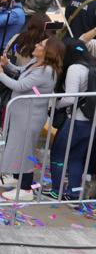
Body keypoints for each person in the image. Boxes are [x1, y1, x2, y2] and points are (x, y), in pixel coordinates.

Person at [0, 36, 64, 200]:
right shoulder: (35, 63)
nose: (36, 44)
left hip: (30, 117)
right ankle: (17, 178)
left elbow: (20, 85)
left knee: (25, 151)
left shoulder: (46, 71)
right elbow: (21, 73)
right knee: (18, 147)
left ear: (48, 51)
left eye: (41, 44)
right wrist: (7, 64)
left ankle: (26, 188)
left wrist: (0, 75)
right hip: (21, 114)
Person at [48, 40, 96, 200]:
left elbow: (70, 98)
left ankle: (57, 190)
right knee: (76, 158)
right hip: (90, 122)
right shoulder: (93, 66)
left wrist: (56, 106)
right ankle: (74, 193)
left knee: (58, 155)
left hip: (75, 120)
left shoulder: (75, 68)